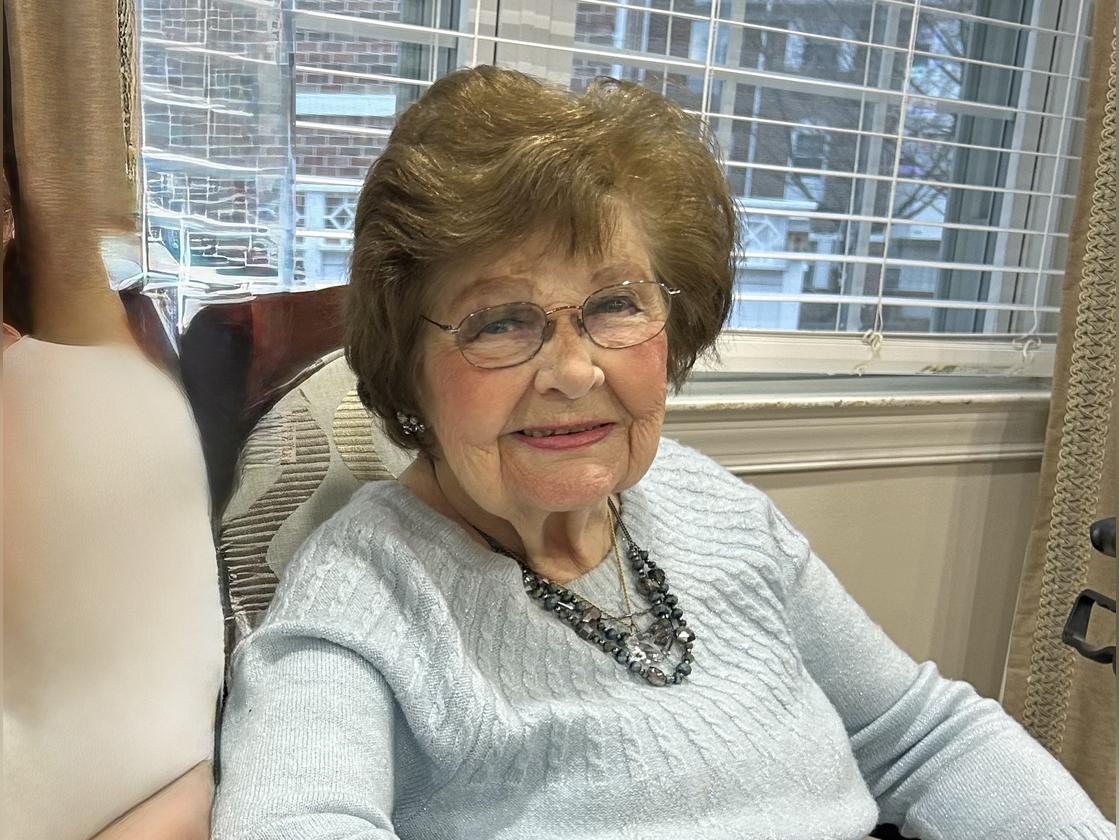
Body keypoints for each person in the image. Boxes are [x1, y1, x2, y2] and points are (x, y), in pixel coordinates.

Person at [211, 66, 1114, 839]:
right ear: (407, 364)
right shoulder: (362, 596)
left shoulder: (710, 503)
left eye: (615, 305)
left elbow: (920, 734)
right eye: (499, 321)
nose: (573, 371)